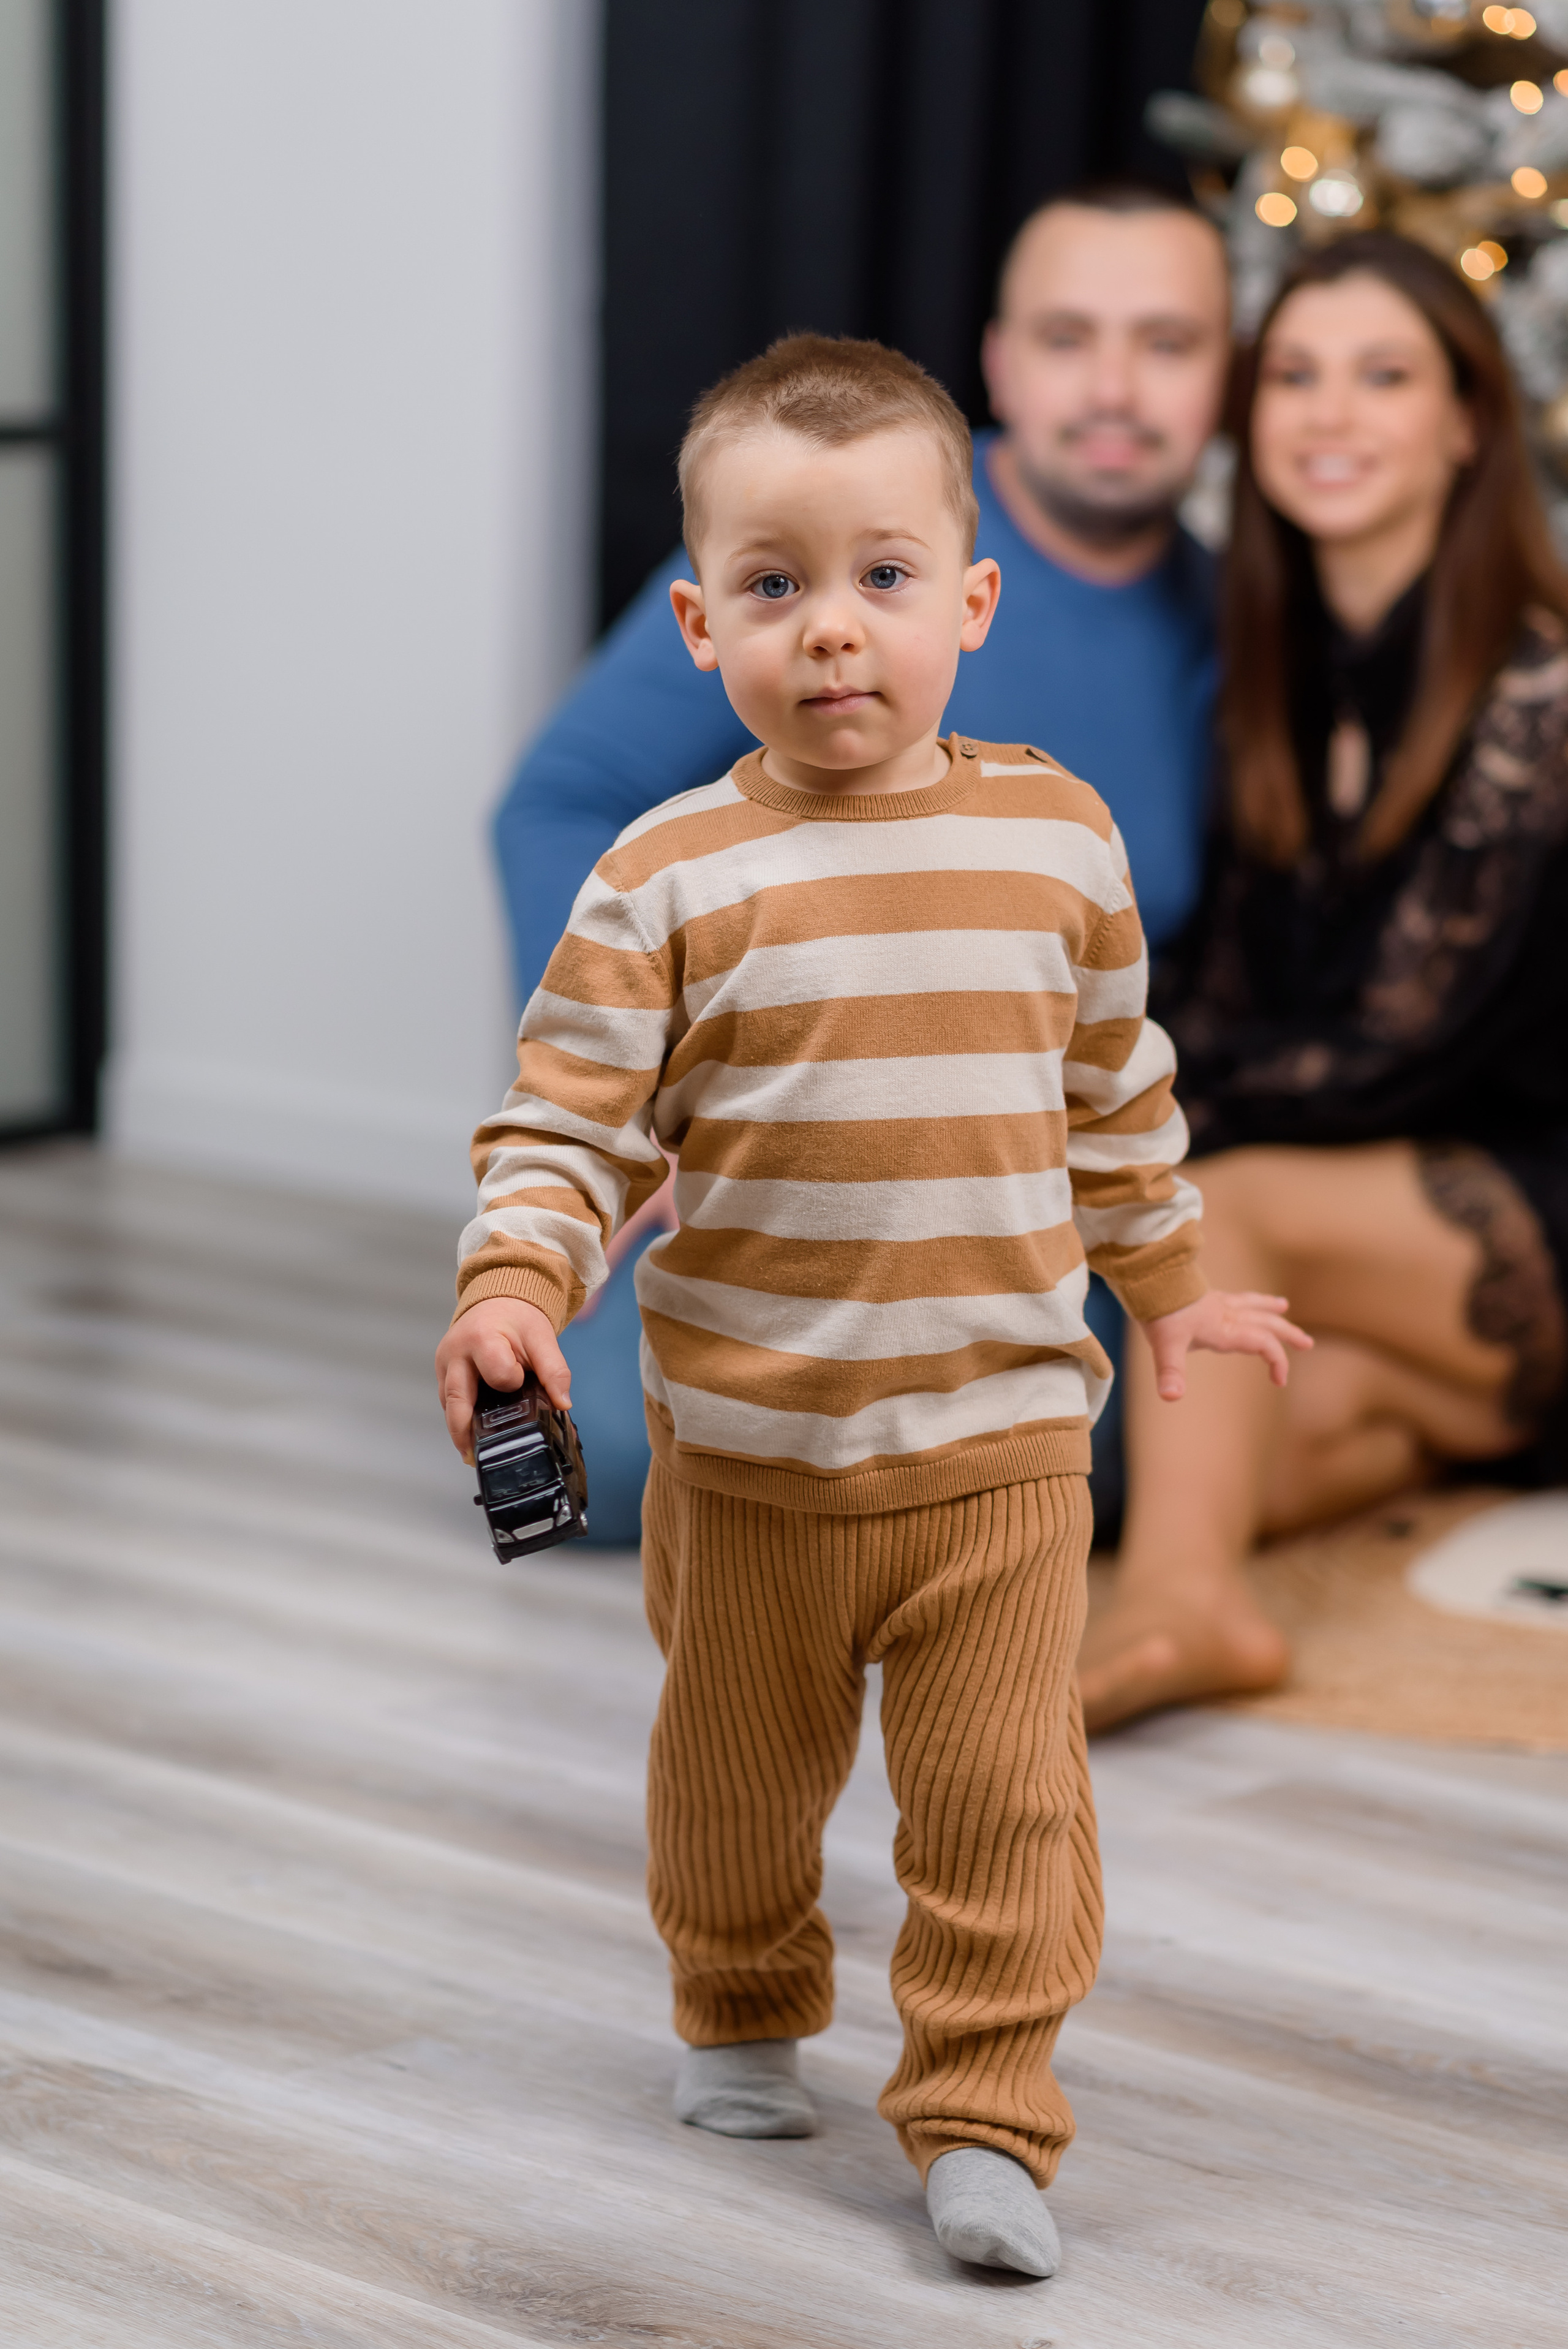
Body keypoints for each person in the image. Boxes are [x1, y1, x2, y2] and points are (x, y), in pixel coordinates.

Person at [435, 335, 1305, 2276]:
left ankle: (988, 2107)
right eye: (775, 585)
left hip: (1001, 1446)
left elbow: (1116, 1097)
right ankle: (741, 1997)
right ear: (697, 622)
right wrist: (513, 1281)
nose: (833, 632)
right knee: (737, 1784)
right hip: (748, 1462)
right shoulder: (663, 879)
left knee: (1005, 1801)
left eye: (884, 579)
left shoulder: (1056, 843)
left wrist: (1173, 1287)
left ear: (971, 605)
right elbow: (565, 1122)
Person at [496, 184, 1234, 1538]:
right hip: (781, 1158)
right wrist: (640, 1102)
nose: (1115, 385)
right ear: (1004, 362)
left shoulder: (1227, 620)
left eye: (1167, 343)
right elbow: (555, 800)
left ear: (1222, 373)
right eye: (1070, 338)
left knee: (1119, 1440)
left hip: (1007, 1189)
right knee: (613, 1458)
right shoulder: (840, 533)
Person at [1079, 230, 1568, 1736]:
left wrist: (1089, 1143)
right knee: (1234, 1439)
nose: (1326, 413)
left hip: (1526, 1196)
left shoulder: (1538, 694)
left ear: (1466, 423)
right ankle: (1427, 1427)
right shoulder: (1274, 686)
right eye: (1290, 374)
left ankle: (1184, 1614)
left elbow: (1385, 1047)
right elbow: (1221, 1000)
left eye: (1380, 376)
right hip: (1394, 1246)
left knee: (1223, 1218)